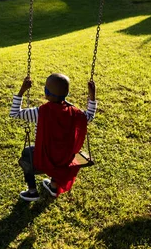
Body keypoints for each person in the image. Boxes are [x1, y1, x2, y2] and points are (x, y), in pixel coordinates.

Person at [9, 73, 97, 201]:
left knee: (27, 153)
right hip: (65, 157)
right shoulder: (75, 113)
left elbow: (14, 113)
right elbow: (89, 115)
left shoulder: (40, 112)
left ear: (47, 93)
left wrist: (22, 90)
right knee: (59, 155)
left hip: (45, 157)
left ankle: (32, 191)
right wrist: (92, 95)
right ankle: (54, 186)